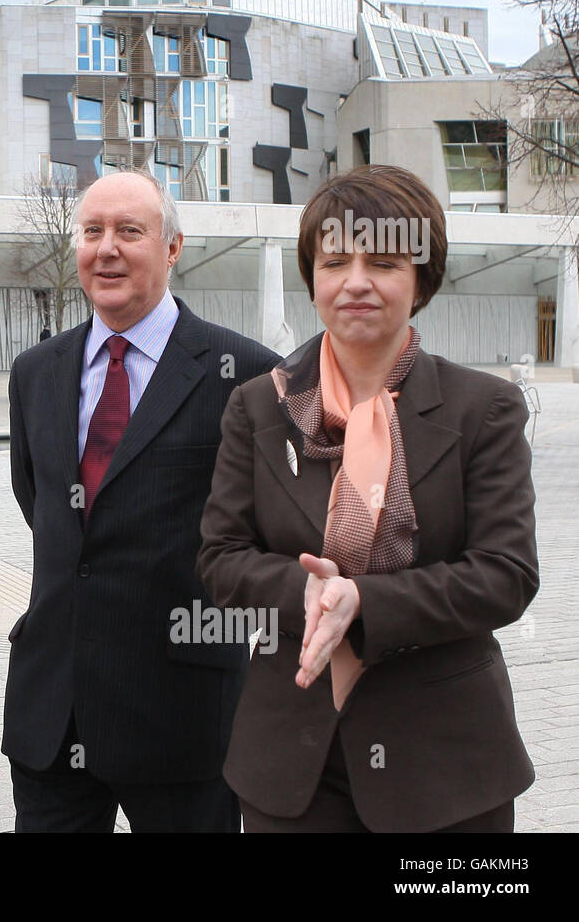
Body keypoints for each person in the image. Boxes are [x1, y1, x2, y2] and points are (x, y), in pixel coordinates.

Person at [197, 164, 538, 832]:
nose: (355, 281)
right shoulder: (256, 408)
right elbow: (220, 559)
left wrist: (365, 604)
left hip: (446, 764)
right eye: (334, 261)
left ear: (422, 278)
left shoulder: (483, 409)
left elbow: (506, 575)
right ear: (313, 277)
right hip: (292, 762)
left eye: (382, 261)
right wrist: (305, 593)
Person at [3, 169, 279, 832]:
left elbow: (266, 532)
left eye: (130, 231)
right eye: (92, 231)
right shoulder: (36, 372)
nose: (107, 249)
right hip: (52, 712)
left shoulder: (245, 375)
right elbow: (44, 507)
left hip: (182, 717)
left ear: (173, 247)